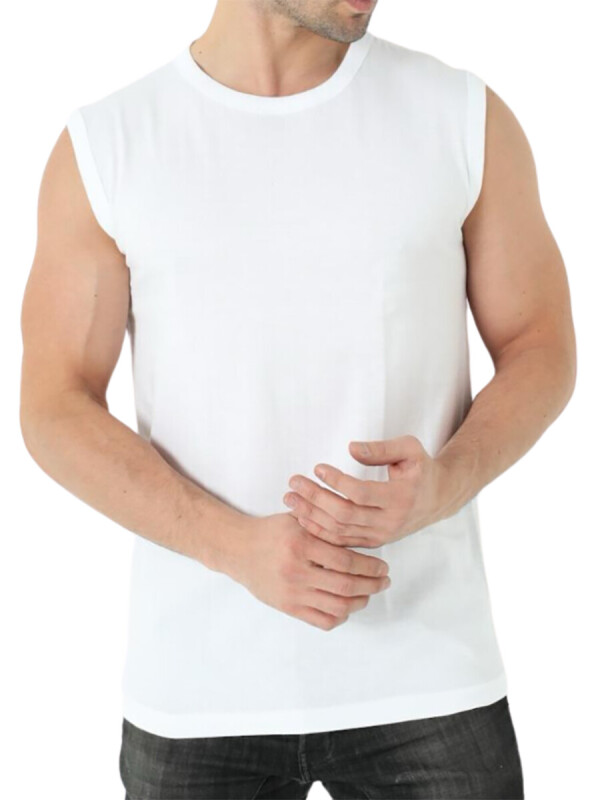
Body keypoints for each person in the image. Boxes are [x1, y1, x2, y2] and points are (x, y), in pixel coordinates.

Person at [20, 0, 576, 797]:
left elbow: (539, 344)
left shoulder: (459, 115)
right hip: (199, 691)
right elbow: (54, 405)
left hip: (428, 676)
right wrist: (232, 547)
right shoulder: (110, 143)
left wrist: (447, 483)